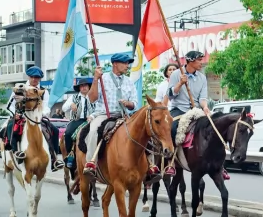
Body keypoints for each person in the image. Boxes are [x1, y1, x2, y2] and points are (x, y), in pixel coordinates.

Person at [82, 53, 165, 185]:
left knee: (144, 132)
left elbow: (134, 103)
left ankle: (151, 166)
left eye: (128, 63)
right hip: (104, 114)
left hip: (124, 115)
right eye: (125, 63)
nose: (127, 66)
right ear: (115, 64)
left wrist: (128, 103)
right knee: (93, 132)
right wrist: (96, 79)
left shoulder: (129, 82)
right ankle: (91, 164)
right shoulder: (102, 78)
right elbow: (92, 98)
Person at [167, 50, 230, 180]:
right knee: (172, 129)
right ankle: (171, 162)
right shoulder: (176, 74)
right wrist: (179, 83)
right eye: (199, 60)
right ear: (190, 61)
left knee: (213, 128)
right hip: (179, 109)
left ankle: (220, 165)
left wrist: (205, 107)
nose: (201, 63)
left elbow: (203, 98)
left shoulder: (202, 77)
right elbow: (170, 95)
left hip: (196, 110)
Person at [4, 66, 65, 171]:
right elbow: (10, 105)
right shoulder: (20, 88)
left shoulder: (43, 91)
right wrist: (16, 114)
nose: (34, 79)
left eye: (36, 77)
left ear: (40, 78)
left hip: (37, 119)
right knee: (10, 127)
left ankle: (54, 158)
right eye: (32, 77)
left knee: (54, 130)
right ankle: (15, 151)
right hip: (22, 117)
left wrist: (40, 115)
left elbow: (47, 107)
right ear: (28, 77)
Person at [61, 78, 95, 167]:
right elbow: (64, 108)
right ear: (79, 88)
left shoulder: (94, 97)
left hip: (91, 120)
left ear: (89, 87)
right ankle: (70, 156)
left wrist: (92, 116)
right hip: (77, 120)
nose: (83, 88)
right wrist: (70, 105)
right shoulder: (73, 97)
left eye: (85, 86)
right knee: (68, 134)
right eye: (81, 86)